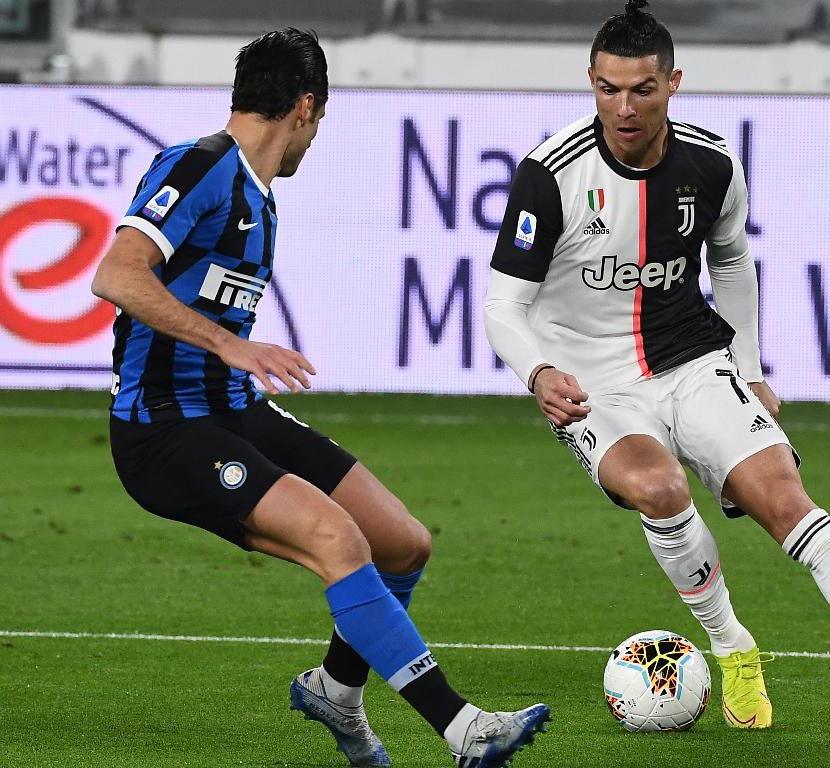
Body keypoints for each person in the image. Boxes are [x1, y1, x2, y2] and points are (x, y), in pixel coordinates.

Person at [483, 0, 830, 734]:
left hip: (691, 358)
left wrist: (751, 368)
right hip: (593, 381)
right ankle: (732, 647)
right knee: (659, 489)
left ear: (674, 83)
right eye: (607, 88)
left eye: (641, 90)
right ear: (591, 83)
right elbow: (502, 305)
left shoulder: (713, 163)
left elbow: (731, 258)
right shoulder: (549, 175)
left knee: (787, 501)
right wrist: (538, 373)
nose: (622, 108)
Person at [91, 28, 549, 767]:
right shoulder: (201, 166)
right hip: (163, 430)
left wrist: (230, 361)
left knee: (403, 542)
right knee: (338, 540)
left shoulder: (260, 198)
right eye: (320, 122)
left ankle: (336, 692)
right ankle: (463, 729)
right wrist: (227, 342)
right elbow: (116, 273)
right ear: (306, 107)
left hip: (232, 409)